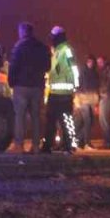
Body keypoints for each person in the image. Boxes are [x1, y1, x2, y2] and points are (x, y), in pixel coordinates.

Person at [7, 22, 49, 152]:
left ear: (23, 32)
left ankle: (19, 144)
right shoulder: (42, 47)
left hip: (21, 85)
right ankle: (36, 145)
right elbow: (47, 66)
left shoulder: (19, 47)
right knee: (36, 117)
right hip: (37, 86)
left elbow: (13, 65)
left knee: (20, 116)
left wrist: (11, 81)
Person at [41, 25, 78, 154]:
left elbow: (74, 68)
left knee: (66, 120)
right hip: (54, 92)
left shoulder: (66, 50)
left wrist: (75, 87)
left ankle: (70, 145)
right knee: (50, 120)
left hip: (65, 92)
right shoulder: (56, 51)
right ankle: (48, 146)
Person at [73, 55, 99, 149]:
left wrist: (96, 102)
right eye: (89, 62)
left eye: (92, 62)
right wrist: (78, 98)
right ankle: (86, 142)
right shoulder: (83, 72)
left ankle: (80, 141)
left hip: (90, 100)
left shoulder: (94, 73)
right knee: (87, 121)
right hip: (83, 99)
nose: (91, 64)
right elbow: (80, 86)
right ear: (87, 62)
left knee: (89, 122)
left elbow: (95, 88)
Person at [96, 55, 110, 150]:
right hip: (104, 96)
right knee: (102, 120)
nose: (99, 64)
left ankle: (108, 143)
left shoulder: (108, 70)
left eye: (100, 62)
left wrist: (102, 91)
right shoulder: (104, 70)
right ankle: (107, 142)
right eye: (98, 62)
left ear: (104, 61)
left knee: (105, 120)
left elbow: (109, 83)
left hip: (106, 96)